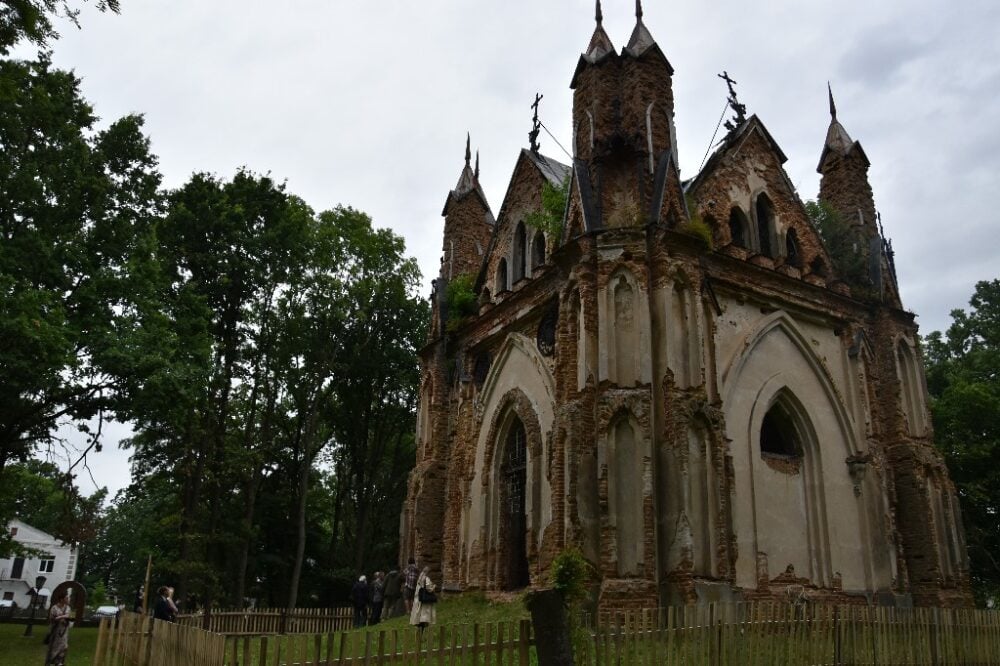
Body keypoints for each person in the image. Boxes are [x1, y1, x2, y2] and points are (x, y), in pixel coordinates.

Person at [44, 589, 72, 666]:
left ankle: (59, 662)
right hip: (55, 630)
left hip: (64, 630)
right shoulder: (54, 608)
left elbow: (68, 615)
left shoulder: (67, 608)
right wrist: (60, 618)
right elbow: (52, 618)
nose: (68, 599)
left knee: (64, 646)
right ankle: (51, 662)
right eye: (66, 598)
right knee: (54, 647)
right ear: (61, 599)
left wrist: (60, 617)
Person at [409, 566, 437, 633]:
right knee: (424, 617)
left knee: (419, 616)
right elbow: (428, 588)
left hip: (419, 599)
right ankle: (421, 634)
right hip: (425, 600)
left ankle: (419, 632)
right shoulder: (426, 578)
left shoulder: (420, 577)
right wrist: (434, 586)